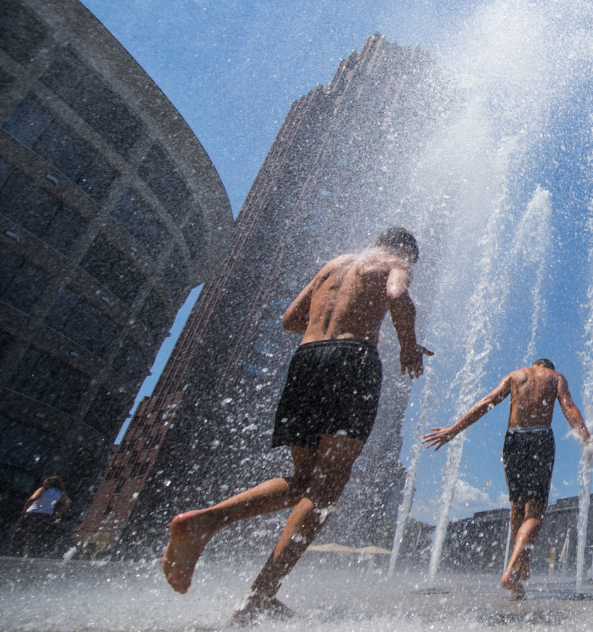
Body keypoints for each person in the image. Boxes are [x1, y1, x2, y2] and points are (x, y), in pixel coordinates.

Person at [161, 228, 433, 625]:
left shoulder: (334, 265)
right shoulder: (396, 262)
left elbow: (291, 319)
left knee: (304, 479)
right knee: (327, 488)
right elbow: (397, 295)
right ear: (405, 249)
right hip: (351, 361)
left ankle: (206, 521)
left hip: (305, 359)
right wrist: (407, 346)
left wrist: (332, 320)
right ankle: (258, 595)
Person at [422, 359, 593, 599]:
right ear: (547, 367)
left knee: (517, 505)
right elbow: (568, 406)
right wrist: (587, 439)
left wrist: (453, 430)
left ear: (534, 365)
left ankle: (520, 569)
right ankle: (512, 569)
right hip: (540, 440)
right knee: (535, 511)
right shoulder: (555, 377)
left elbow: (487, 402)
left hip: (513, 441)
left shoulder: (515, 375)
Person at [7, 476, 70, 557]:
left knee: (20, 533)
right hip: (46, 516)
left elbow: (32, 499)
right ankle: (31, 554)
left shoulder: (42, 490)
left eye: (45, 481)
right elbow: (68, 502)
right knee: (37, 536)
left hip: (32, 514)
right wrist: (59, 513)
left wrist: (24, 509)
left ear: (50, 483)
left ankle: (15, 552)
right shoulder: (60, 493)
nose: (43, 482)